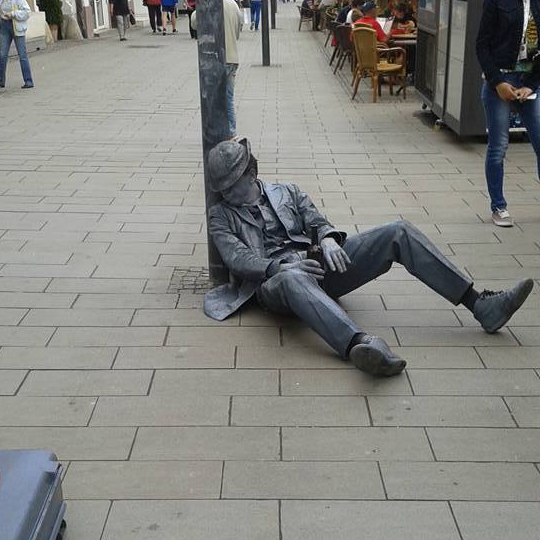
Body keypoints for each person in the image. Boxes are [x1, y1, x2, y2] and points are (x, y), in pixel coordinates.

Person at [202, 138, 533, 377]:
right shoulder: (220, 215)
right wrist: (280, 265)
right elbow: (238, 258)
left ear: (251, 173)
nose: (226, 194)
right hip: (274, 283)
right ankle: (360, 345)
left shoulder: (287, 191)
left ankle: (481, 305)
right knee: (292, 276)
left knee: (397, 231)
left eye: (231, 185)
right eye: (222, 189)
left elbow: (317, 221)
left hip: (318, 265)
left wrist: (328, 239)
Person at [476, 0, 540, 227]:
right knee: (498, 145)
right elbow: (482, 45)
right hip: (500, 78)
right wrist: (497, 82)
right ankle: (498, 206)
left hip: (529, 81)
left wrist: (532, 84)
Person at [191, 0, 242, 137]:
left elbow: (194, 22)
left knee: (212, 99)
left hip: (214, 58)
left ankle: (215, 131)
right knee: (228, 98)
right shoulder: (233, 4)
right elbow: (239, 29)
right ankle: (231, 131)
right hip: (232, 57)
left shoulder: (208, 1)